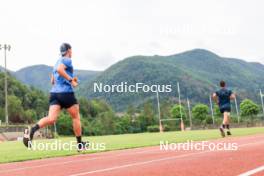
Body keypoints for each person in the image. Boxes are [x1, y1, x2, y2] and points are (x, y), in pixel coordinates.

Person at [23, 43, 88, 150]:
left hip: (54, 93)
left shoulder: (56, 62)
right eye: (71, 50)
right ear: (68, 51)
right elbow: (60, 70)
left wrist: (70, 79)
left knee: (51, 118)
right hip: (66, 93)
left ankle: (32, 130)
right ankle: (80, 145)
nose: (72, 52)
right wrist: (71, 80)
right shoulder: (67, 60)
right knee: (76, 117)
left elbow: (53, 80)